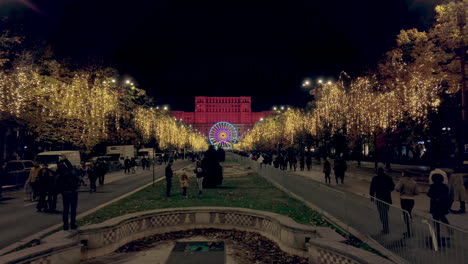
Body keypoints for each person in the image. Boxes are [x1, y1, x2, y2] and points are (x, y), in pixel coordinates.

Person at [56, 156, 79, 230]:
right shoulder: (70, 172)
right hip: (72, 192)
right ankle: (72, 224)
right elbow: (71, 168)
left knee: (66, 209)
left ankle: (65, 225)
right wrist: (66, 160)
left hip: (65, 193)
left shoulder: (60, 175)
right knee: (72, 209)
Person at [370, 168, 395, 234]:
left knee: (382, 214)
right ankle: (385, 228)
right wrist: (387, 189)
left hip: (379, 199)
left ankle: (385, 228)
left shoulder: (375, 179)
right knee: (385, 213)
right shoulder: (388, 178)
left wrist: (372, 197)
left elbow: (372, 189)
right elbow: (392, 187)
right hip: (387, 199)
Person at [427, 174, 451, 244]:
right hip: (442, 205)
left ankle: (437, 233)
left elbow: (429, 194)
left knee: (436, 220)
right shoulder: (445, 187)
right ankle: (447, 228)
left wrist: (435, 197)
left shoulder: (433, 186)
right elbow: (446, 195)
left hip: (435, 205)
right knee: (442, 217)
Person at [395, 171, 419, 237]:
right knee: (409, 213)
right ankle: (410, 229)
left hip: (404, 199)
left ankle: (408, 231)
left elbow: (397, 188)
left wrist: (402, 191)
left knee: (405, 214)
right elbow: (417, 192)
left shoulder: (402, 181)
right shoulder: (414, 182)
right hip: (411, 200)